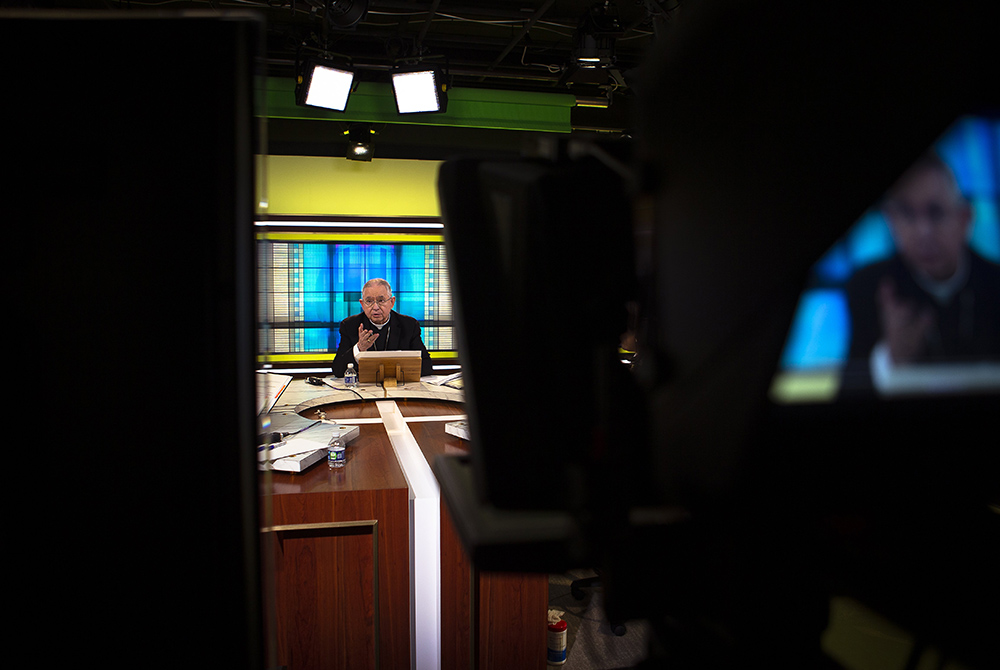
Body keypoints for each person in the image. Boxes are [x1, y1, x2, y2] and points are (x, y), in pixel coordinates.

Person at [843, 153, 1000, 392]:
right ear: (891, 221)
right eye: (907, 213)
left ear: (965, 219)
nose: (923, 232)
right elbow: (846, 398)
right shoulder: (868, 287)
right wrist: (889, 359)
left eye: (935, 212)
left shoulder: (995, 282)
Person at [331, 278, 433, 378]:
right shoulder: (350, 325)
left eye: (381, 300)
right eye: (369, 301)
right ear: (362, 304)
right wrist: (359, 348)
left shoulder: (409, 325)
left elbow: (427, 366)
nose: (375, 307)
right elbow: (338, 370)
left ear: (392, 302)